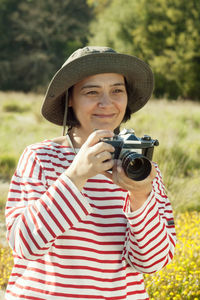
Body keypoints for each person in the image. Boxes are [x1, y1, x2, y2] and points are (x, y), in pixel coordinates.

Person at [5, 46, 176, 300]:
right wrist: (75, 177)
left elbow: (153, 262)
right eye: (92, 91)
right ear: (69, 98)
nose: (106, 103)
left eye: (117, 90)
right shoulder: (40, 158)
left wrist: (140, 196)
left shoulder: (141, 168)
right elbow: (24, 245)